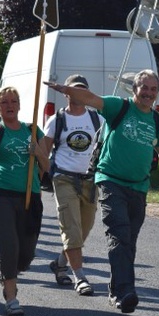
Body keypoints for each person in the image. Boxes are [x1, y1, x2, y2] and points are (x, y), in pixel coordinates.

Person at [46, 69, 159, 314]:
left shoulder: (156, 120)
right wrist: (65, 89)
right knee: (118, 235)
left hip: (139, 186)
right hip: (110, 181)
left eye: (153, 89)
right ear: (135, 89)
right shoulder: (119, 107)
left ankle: (116, 289)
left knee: (129, 241)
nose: (149, 93)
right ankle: (127, 291)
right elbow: (90, 98)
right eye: (144, 88)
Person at [0, 86, 50, 316]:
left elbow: (46, 166)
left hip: (29, 194)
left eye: (13, 101)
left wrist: (38, 153)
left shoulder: (33, 130)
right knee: (9, 245)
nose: (9, 105)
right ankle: (11, 296)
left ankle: (8, 270)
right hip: (2, 193)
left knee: (25, 254)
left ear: (19, 105)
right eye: (4, 102)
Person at [41, 74, 104, 296]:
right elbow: (43, 151)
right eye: (74, 89)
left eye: (82, 90)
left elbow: (105, 150)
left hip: (90, 181)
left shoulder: (98, 120)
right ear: (67, 93)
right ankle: (80, 277)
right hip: (64, 179)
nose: (79, 94)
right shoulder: (57, 120)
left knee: (83, 229)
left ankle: (60, 263)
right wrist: (37, 178)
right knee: (71, 228)